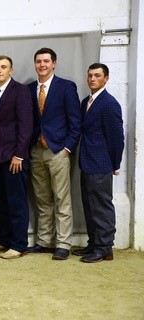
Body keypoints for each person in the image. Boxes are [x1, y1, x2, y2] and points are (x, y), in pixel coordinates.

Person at [27, 48, 81, 260]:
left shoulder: (66, 87)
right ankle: (44, 241)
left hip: (58, 150)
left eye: (46, 61)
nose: (42, 65)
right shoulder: (30, 89)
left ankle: (63, 243)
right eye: (39, 61)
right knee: (42, 199)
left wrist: (67, 148)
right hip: (36, 151)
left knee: (62, 198)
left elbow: (75, 122)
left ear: (54, 63)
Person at [72, 63, 124, 263]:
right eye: (90, 76)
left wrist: (115, 163)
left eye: (97, 76)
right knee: (89, 205)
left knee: (101, 206)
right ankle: (94, 243)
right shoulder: (87, 100)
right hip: (86, 161)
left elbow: (117, 137)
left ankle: (105, 248)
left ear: (106, 79)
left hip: (101, 163)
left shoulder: (109, 103)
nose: (92, 79)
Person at [0, 56, 33, 259]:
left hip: (14, 157)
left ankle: (19, 244)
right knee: (1, 201)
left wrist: (19, 155)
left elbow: (26, 125)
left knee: (17, 202)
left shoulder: (20, 91)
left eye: (3, 67)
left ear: (11, 70)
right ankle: (5, 239)